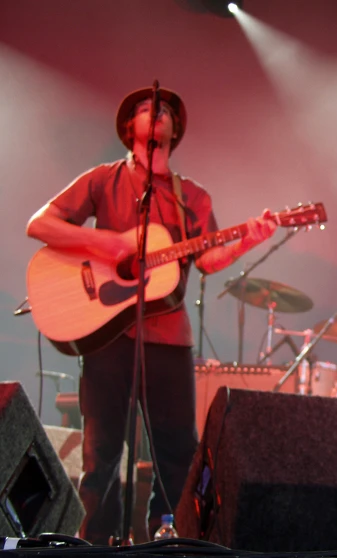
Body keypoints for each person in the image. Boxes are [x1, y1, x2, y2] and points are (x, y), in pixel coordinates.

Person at [25, 85, 277, 543]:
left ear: (174, 129)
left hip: (168, 339)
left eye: (164, 111)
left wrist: (250, 239)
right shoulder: (103, 179)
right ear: (130, 127)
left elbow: (209, 259)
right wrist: (111, 243)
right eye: (146, 108)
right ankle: (94, 544)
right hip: (105, 336)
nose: (156, 113)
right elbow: (40, 223)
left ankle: (174, 542)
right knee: (101, 454)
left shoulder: (192, 196)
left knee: (178, 452)